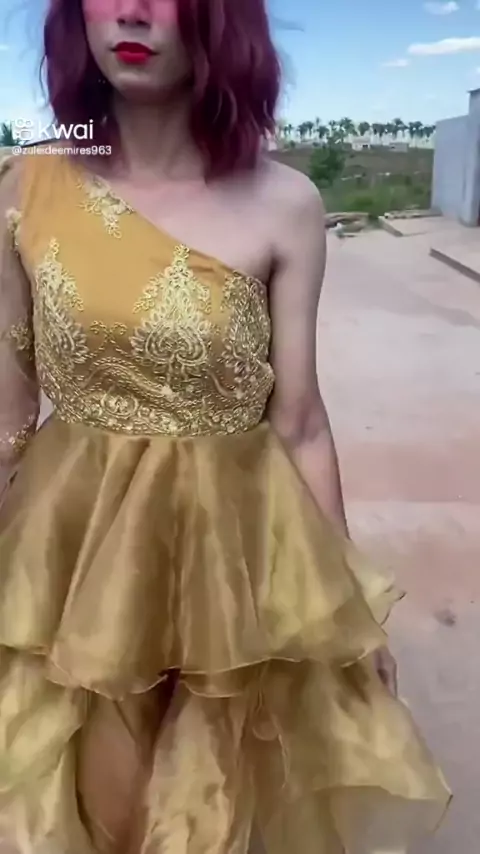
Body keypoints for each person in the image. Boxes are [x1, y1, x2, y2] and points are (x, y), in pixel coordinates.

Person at [0, 0, 450, 852]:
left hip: (235, 553)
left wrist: (348, 611)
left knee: (206, 800)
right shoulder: (30, 185)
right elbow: (7, 409)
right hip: (77, 552)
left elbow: (301, 422)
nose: (132, 11)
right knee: (92, 799)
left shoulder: (285, 203)